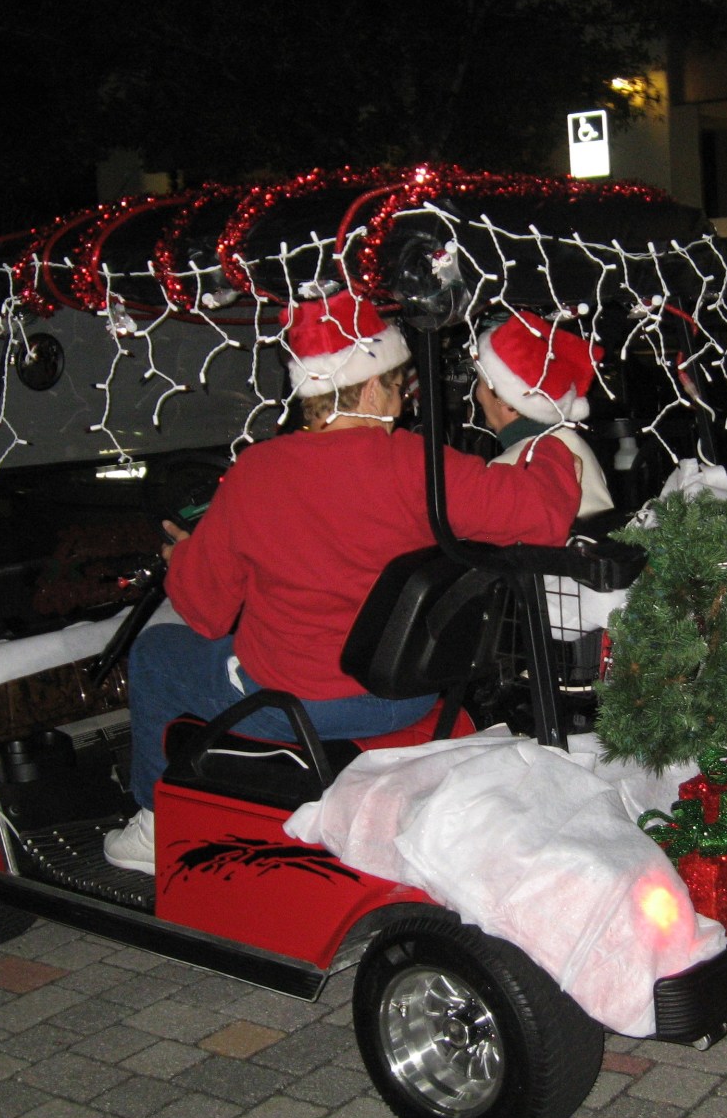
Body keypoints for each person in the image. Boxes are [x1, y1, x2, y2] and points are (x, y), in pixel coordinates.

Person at [105, 290, 583, 874]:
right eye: (399, 384)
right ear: (374, 383)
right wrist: (550, 437)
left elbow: (205, 610)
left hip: (303, 707)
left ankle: (155, 821)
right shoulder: (418, 465)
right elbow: (542, 513)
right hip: (407, 693)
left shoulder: (257, 474)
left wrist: (185, 560)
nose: (405, 399)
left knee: (156, 653)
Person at [474, 311, 614, 517]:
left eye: (480, 383)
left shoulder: (508, 467)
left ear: (505, 399)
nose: (476, 394)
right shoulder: (573, 443)